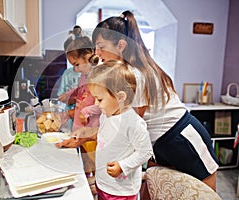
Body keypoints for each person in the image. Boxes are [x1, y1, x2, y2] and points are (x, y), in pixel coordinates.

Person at [56, 10, 219, 191]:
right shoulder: (121, 72)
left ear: (121, 45)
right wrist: (85, 134)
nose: (97, 53)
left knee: (205, 191)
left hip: (181, 136)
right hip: (159, 141)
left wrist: (87, 134)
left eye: (101, 46)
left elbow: (126, 126)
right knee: (156, 189)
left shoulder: (135, 75)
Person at [87, 60, 153, 199]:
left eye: (99, 99)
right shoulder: (106, 115)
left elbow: (146, 151)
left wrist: (123, 166)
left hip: (121, 191)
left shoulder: (133, 123)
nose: (96, 104)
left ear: (121, 97)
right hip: (104, 183)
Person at [58, 35, 101, 194]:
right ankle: (86, 187)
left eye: (76, 65)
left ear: (89, 56)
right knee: (85, 164)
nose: (75, 70)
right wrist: (70, 94)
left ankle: (98, 188)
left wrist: (87, 111)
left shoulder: (99, 75)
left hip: (92, 130)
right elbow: (82, 90)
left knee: (95, 163)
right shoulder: (84, 75)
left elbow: (102, 102)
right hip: (79, 127)